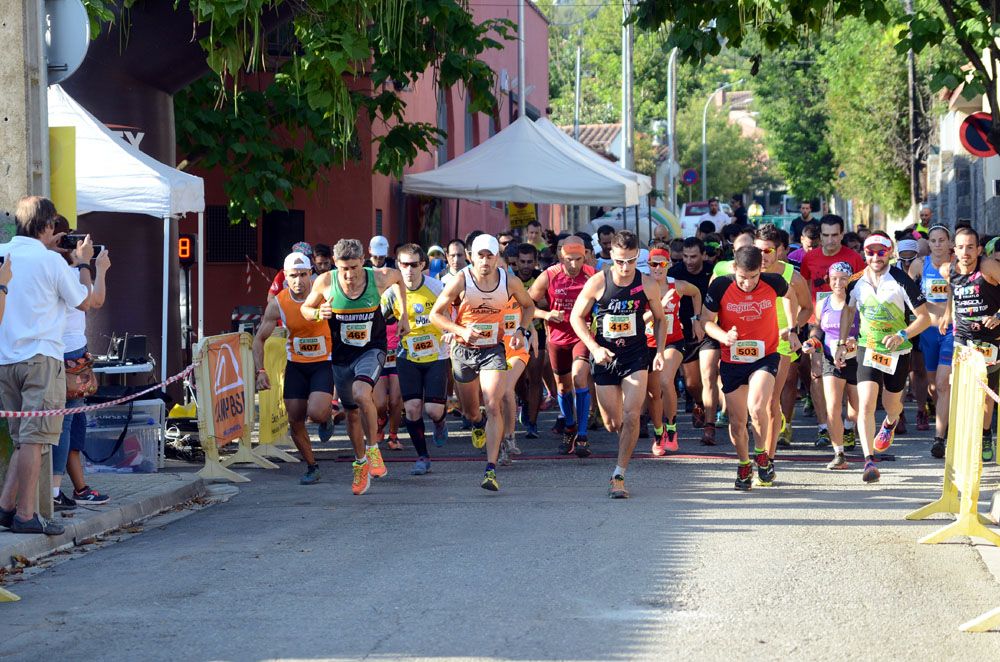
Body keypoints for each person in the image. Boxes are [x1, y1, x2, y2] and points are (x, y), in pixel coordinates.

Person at [0, 197, 93, 535]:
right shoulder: (51, 262)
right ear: (47, 225)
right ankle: (27, 515)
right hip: (42, 357)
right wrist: (83, 263)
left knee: (23, 439)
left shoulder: (3, 252)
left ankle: (7, 507)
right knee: (36, 440)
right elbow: (84, 301)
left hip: (6, 358)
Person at [301, 239, 410, 495]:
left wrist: (403, 315)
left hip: (372, 349)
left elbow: (399, 279)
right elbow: (305, 307)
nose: (349, 274)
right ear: (335, 266)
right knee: (350, 413)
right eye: (343, 268)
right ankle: (360, 463)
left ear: (363, 261)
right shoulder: (326, 282)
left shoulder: (380, 277)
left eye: (353, 267)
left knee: (363, 393)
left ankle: (373, 449)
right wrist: (318, 313)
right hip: (342, 356)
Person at [430, 234, 535, 491]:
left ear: (497, 257)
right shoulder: (461, 280)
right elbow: (435, 314)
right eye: (481, 256)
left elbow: (529, 307)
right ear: (470, 257)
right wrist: (460, 331)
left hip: (493, 349)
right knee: (472, 411)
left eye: (490, 255)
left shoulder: (509, 281)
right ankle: (477, 424)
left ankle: (491, 468)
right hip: (464, 351)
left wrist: (521, 330)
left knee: (493, 404)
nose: (486, 261)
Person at [570, 230, 666, 499]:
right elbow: (576, 317)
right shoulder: (598, 282)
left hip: (635, 356)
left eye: (631, 261)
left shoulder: (646, 284)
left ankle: (619, 474)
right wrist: (594, 348)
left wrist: (659, 351)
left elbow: (660, 319)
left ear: (639, 258)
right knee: (613, 422)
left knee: (632, 415)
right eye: (620, 261)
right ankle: (624, 444)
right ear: (611, 255)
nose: (625, 267)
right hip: (605, 357)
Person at [835, 233, 929, 483]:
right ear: (864, 254)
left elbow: (924, 318)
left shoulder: (901, 280)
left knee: (892, 404)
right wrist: (842, 343)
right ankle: (869, 460)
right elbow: (848, 311)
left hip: (898, 351)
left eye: (881, 251)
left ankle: (889, 422)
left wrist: (902, 334)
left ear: (890, 253)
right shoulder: (855, 282)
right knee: (865, 404)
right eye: (870, 252)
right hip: (868, 348)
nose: (875, 257)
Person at [703, 246, 799, 490]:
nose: (748, 284)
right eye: (743, 278)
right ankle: (744, 464)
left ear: (761, 270)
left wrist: (792, 326)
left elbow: (791, 296)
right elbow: (705, 321)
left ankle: (762, 456)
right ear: (734, 269)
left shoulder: (774, 282)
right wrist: (723, 336)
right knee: (737, 421)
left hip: (764, 356)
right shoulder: (721, 286)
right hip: (733, 359)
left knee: (757, 408)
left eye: (753, 277)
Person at [253, 252, 333, 485]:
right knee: (295, 418)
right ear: (285, 277)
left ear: (311, 274)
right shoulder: (278, 304)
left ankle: (326, 417)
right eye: (293, 276)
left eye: (303, 275)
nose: (299, 281)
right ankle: (312, 466)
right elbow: (259, 339)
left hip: (323, 363)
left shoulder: (325, 296)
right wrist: (261, 371)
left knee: (316, 413)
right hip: (297, 365)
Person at [51, 216, 112, 509]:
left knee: (76, 423)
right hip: (62, 354)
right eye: (67, 239)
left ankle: (79, 487)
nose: (71, 245)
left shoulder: (72, 269)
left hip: (77, 352)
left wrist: (94, 267)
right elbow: (91, 300)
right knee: (64, 424)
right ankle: (54, 491)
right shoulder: (58, 270)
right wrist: (91, 266)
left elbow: (94, 299)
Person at [798, 215, 865, 445]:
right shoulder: (810, 258)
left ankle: (847, 426)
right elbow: (806, 287)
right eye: (825, 235)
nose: (830, 240)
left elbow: (862, 290)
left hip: (849, 326)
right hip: (820, 324)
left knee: (848, 377)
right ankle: (824, 427)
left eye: (835, 235)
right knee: (817, 374)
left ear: (842, 234)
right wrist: (810, 318)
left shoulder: (854, 258)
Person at [384, 244, 449, 475]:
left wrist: (451, 333)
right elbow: (380, 319)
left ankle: (440, 422)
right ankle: (423, 456)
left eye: (414, 265)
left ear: (423, 265)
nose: (409, 270)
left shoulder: (437, 287)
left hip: (437, 355)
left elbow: (451, 316)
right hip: (407, 355)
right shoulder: (392, 292)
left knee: (432, 410)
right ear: (397, 265)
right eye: (404, 265)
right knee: (411, 409)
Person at [529, 236, 597, 455]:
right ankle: (570, 426)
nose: (574, 265)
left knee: (579, 377)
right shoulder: (549, 275)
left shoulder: (592, 275)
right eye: (569, 259)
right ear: (561, 257)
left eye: (578, 259)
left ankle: (583, 436)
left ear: (585, 255)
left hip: (582, 335)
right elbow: (526, 306)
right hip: (557, 338)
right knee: (562, 387)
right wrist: (547, 314)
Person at [938, 227, 1000, 461]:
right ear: (954, 249)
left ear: (979, 249)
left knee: (986, 394)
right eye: (961, 247)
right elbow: (952, 291)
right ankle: (962, 437)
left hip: (990, 339)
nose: (965, 252)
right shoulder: (947, 269)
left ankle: (985, 434)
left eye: (970, 247)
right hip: (962, 338)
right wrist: (946, 313)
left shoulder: (988, 268)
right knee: (960, 388)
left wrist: (998, 316)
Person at [752, 225, 812, 462]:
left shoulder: (792, 277)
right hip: (752, 341)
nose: (762, 257)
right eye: (758, 251)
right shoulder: (747, 272)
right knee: (754, 405)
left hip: (781, 343)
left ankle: (768, 458)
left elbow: (808, 308)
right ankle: (772, 426)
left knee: (769, 402)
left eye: (768, 251)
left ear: (779, 251)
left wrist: (794, 327)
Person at [802, 262, 860, 470]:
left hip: (855, 358)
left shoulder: (858, 302)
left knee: (857, 407)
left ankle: (849, 427)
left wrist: (856, 341)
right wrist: (812, 343)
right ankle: (839, 453)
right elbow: (818, 330)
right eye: (834, 278)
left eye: (843, 278)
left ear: (850, 279)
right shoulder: (822, 303)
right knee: (833, 406)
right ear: (828, 278)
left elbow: (868, 330)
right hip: (830, 359)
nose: (838, 282)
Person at [645, 244, 701, 454]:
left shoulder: (677, 286)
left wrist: (696, 319)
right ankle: (658, 433)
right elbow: (640, 321)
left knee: (666, 380)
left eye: (662, 264)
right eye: (653, 264)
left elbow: (696, 293)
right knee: (653, 393)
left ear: (668, 265)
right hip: (648, 344)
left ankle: (672, 428)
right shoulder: (642, 287)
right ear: (648, 265)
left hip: (673, 341)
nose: (658, 268)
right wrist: (658, 306)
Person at [669, 238, 712, 438]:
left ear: (703, 255)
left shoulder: (711, 272)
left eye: (693, 256)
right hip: (685, 332)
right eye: (685, 256)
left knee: (709, 373)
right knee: (692, 383)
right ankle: (699, 402)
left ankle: (710, 425)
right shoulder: (675, 273)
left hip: (710, 330)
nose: (689, 261)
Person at [510, 243, 545, 440]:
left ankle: (532, 422)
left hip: (537, 333)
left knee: (535, 377)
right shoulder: (510, 280)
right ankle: (524, 402)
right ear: (516, 262)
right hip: (514, 334)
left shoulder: (541, 278)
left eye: (529, 262)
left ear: (535, 262)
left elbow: (546, 304)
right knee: (518, 380)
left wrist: (536, 307)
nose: (525, 265)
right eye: (522, 261)